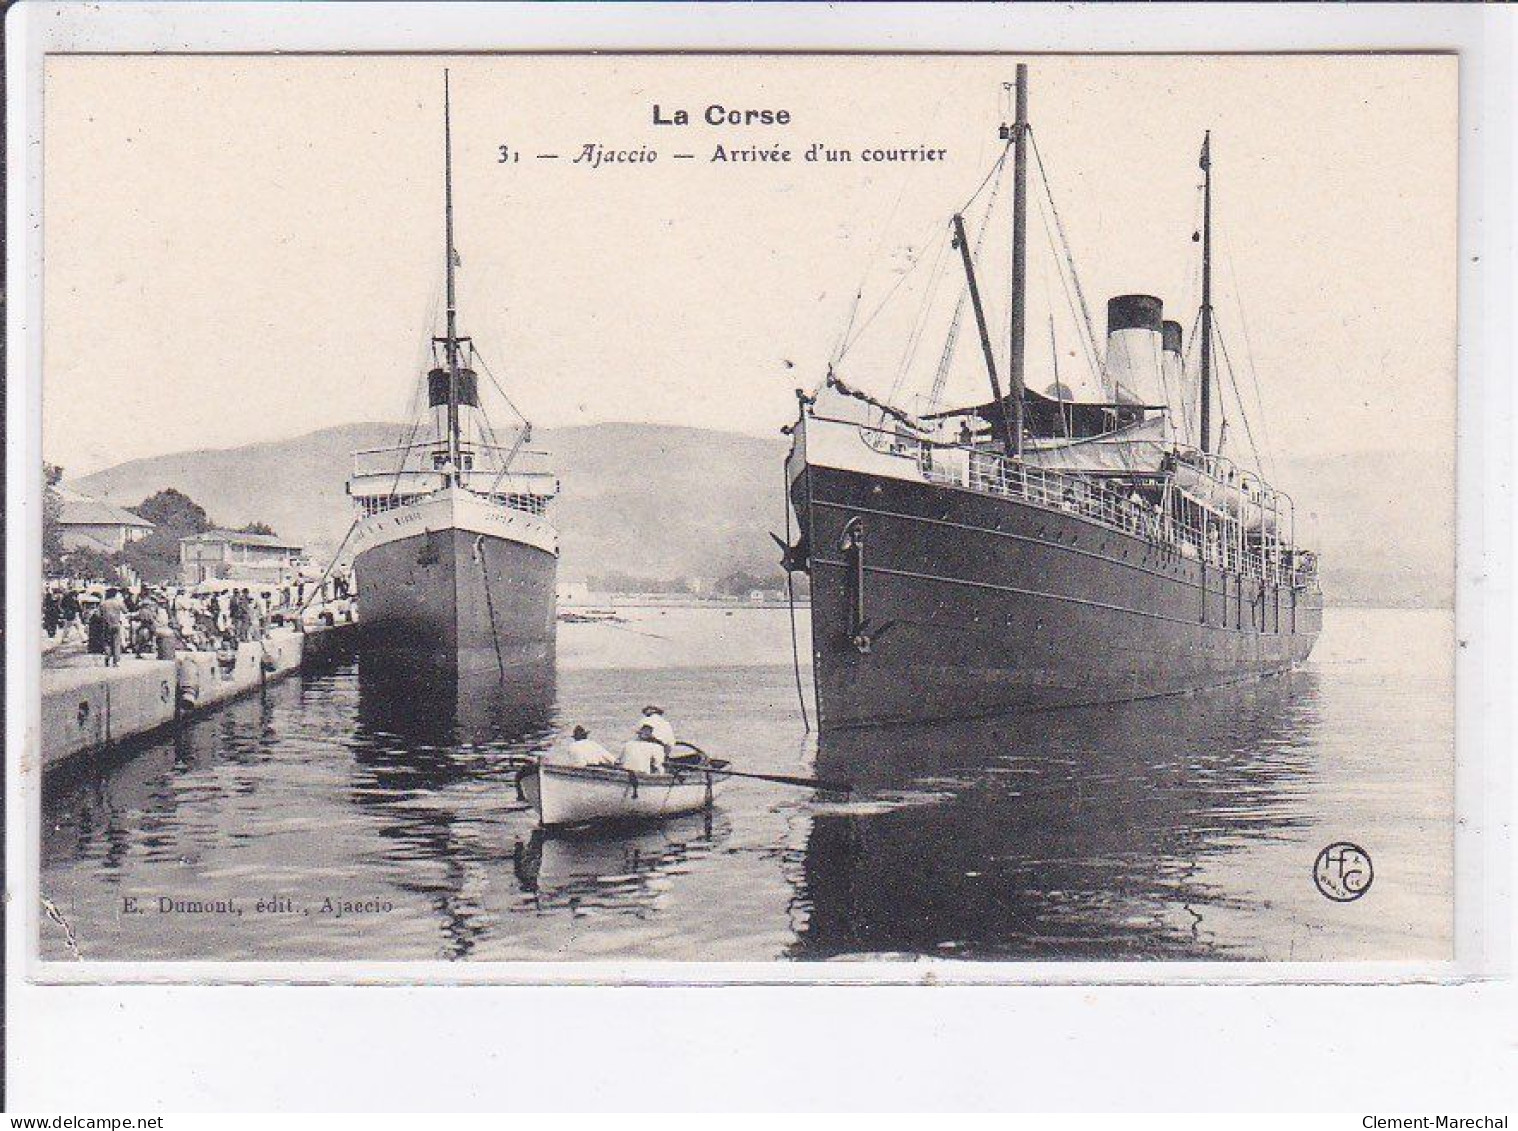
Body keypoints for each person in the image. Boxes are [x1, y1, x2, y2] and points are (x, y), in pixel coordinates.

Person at [550, 726, 616, 768]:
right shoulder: (594, 744)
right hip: (599, 769)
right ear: (586, 736)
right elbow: (612, 759)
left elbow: (579, 764)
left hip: (587, 770)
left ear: (575, 738)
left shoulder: (572, 746)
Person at [98, 587, 126, 667]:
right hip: (116, 624)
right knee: (116, 643)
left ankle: (107, 654)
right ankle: (116, 661)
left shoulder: (103, 604)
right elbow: (125, 611)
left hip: (106, 624)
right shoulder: (118, 602)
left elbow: (99, 615)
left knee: (107, 641)